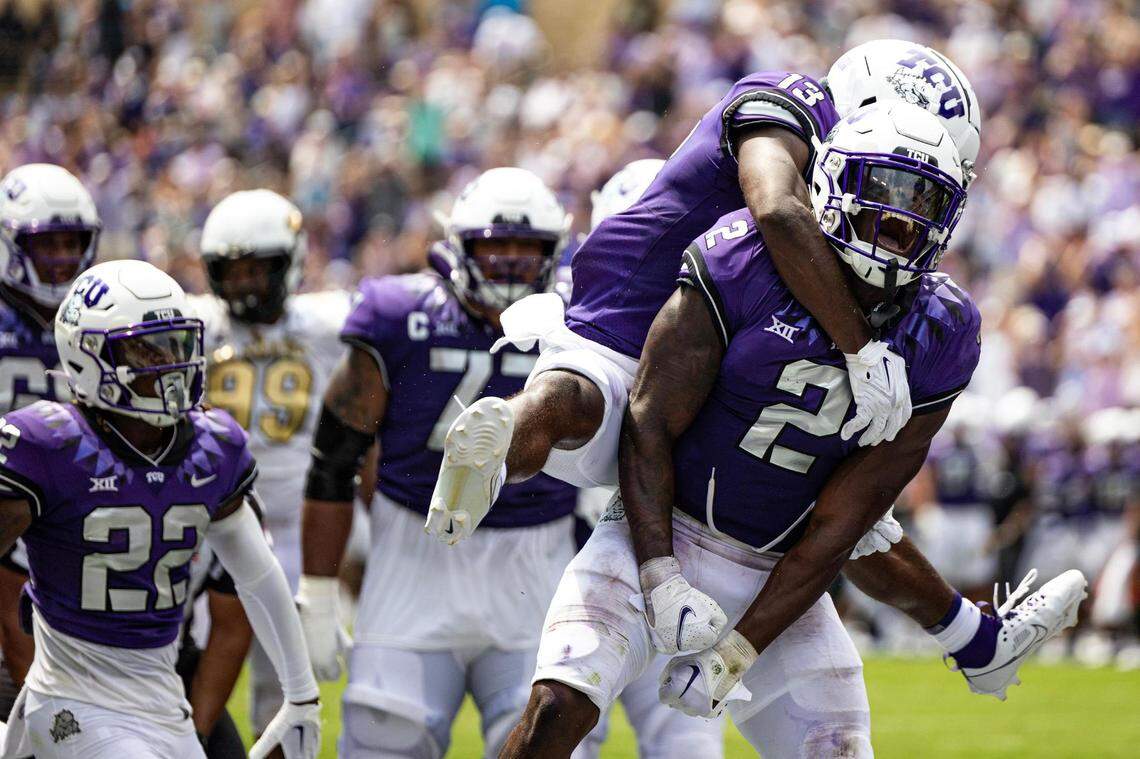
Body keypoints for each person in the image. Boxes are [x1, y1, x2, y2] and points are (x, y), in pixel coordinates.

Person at [501, 104, 1087, 758]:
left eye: (926, 199)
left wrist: (734, 652)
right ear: (835, 183)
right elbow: (649, 418)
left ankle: (976, 641)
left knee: (836, 749)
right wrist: (661, 574)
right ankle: (978, 640)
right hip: (669, 526)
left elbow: (845, 523)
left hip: (784, 568)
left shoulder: (943, 330)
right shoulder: (744, 257)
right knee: (556, 709)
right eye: (886, 190)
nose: (903, 218)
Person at [425, 39, 982, 543]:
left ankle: (501, 447)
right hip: (643, 298)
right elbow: (775, 208)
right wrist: (861, 349)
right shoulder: (796, 102)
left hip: (722, 335)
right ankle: (495, 450)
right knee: (582, 400)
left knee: (592, 413)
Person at [296, 168, 602, 758]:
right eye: (495, 245)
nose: (511, 261)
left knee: (551, 744)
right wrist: (318, 587)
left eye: (527, 248)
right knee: (385, 740)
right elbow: (334, 460)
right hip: (415, 553)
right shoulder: (396, 313)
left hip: (536, 561)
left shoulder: (583, 317)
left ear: (554, 251)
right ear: (459, 246)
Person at [0, 260, 320, 759]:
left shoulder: (213, 446)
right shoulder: (47, 444)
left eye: (175, 345)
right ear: (89, 358)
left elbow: (258, 575)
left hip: (162, 698)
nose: (170, 365)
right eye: (145, 350)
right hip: (70, 696)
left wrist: (301, 694)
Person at [574, 158, 726, 757]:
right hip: (582, 556)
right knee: (566, 723)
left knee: (688, 745)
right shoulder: (573, 319)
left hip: (682, 562)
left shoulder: (728, 314)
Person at [191, 188, 351, 734]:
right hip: (204, 528)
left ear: (292, 261)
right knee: (178, 662)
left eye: (258, 269)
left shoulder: (331, 326)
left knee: (282, 695)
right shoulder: (191, 325)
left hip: (295, 531)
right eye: (231, 271)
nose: (244, 284)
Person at [0, 163, 101, 719]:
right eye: (47, 243)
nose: (63, 256)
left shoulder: (105, 312)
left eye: (73, 242)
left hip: (80, 529)